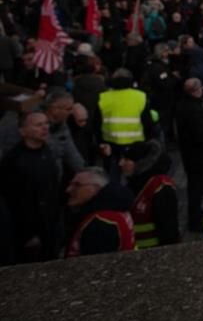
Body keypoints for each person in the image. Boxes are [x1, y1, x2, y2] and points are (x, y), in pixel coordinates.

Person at [0, 111, 62, 263]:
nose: (45, 128)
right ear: (23, 131)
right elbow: (14, 202)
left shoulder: (48, 152)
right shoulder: (13, 161)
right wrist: (28, 234)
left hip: (51, 226)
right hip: (29, 234)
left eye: (46, 123)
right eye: (38, 125)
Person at [92, 67, 154, 179]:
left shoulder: (103, 97)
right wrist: (148, 140)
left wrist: (100, 142)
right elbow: (147, 122)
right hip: (136, 143)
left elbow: (97, 123)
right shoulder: (140, 96)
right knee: (135, 175)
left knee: (112, 175)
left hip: (110, 143)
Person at [175, 78, 203, 232]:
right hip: (196, 155)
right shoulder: (193, 109)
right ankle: (194, 219)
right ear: (197, 90)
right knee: (197, 187)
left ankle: (197, 212)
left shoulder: (183, 105)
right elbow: (199, 132)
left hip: (190, 154)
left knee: (197, 186)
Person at [120, 140, 179, 248]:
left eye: (127, 160)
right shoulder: (134, 183)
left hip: (154, 253)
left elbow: (169, 233)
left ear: (139, 163)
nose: (121, 163)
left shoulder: (161, 187)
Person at [64, 167, 136, 257]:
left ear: (96, 188)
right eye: (70, 184)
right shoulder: (117, 208)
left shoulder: (101, 223)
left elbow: (94, 263)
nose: (68, 189)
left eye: (77, 185)